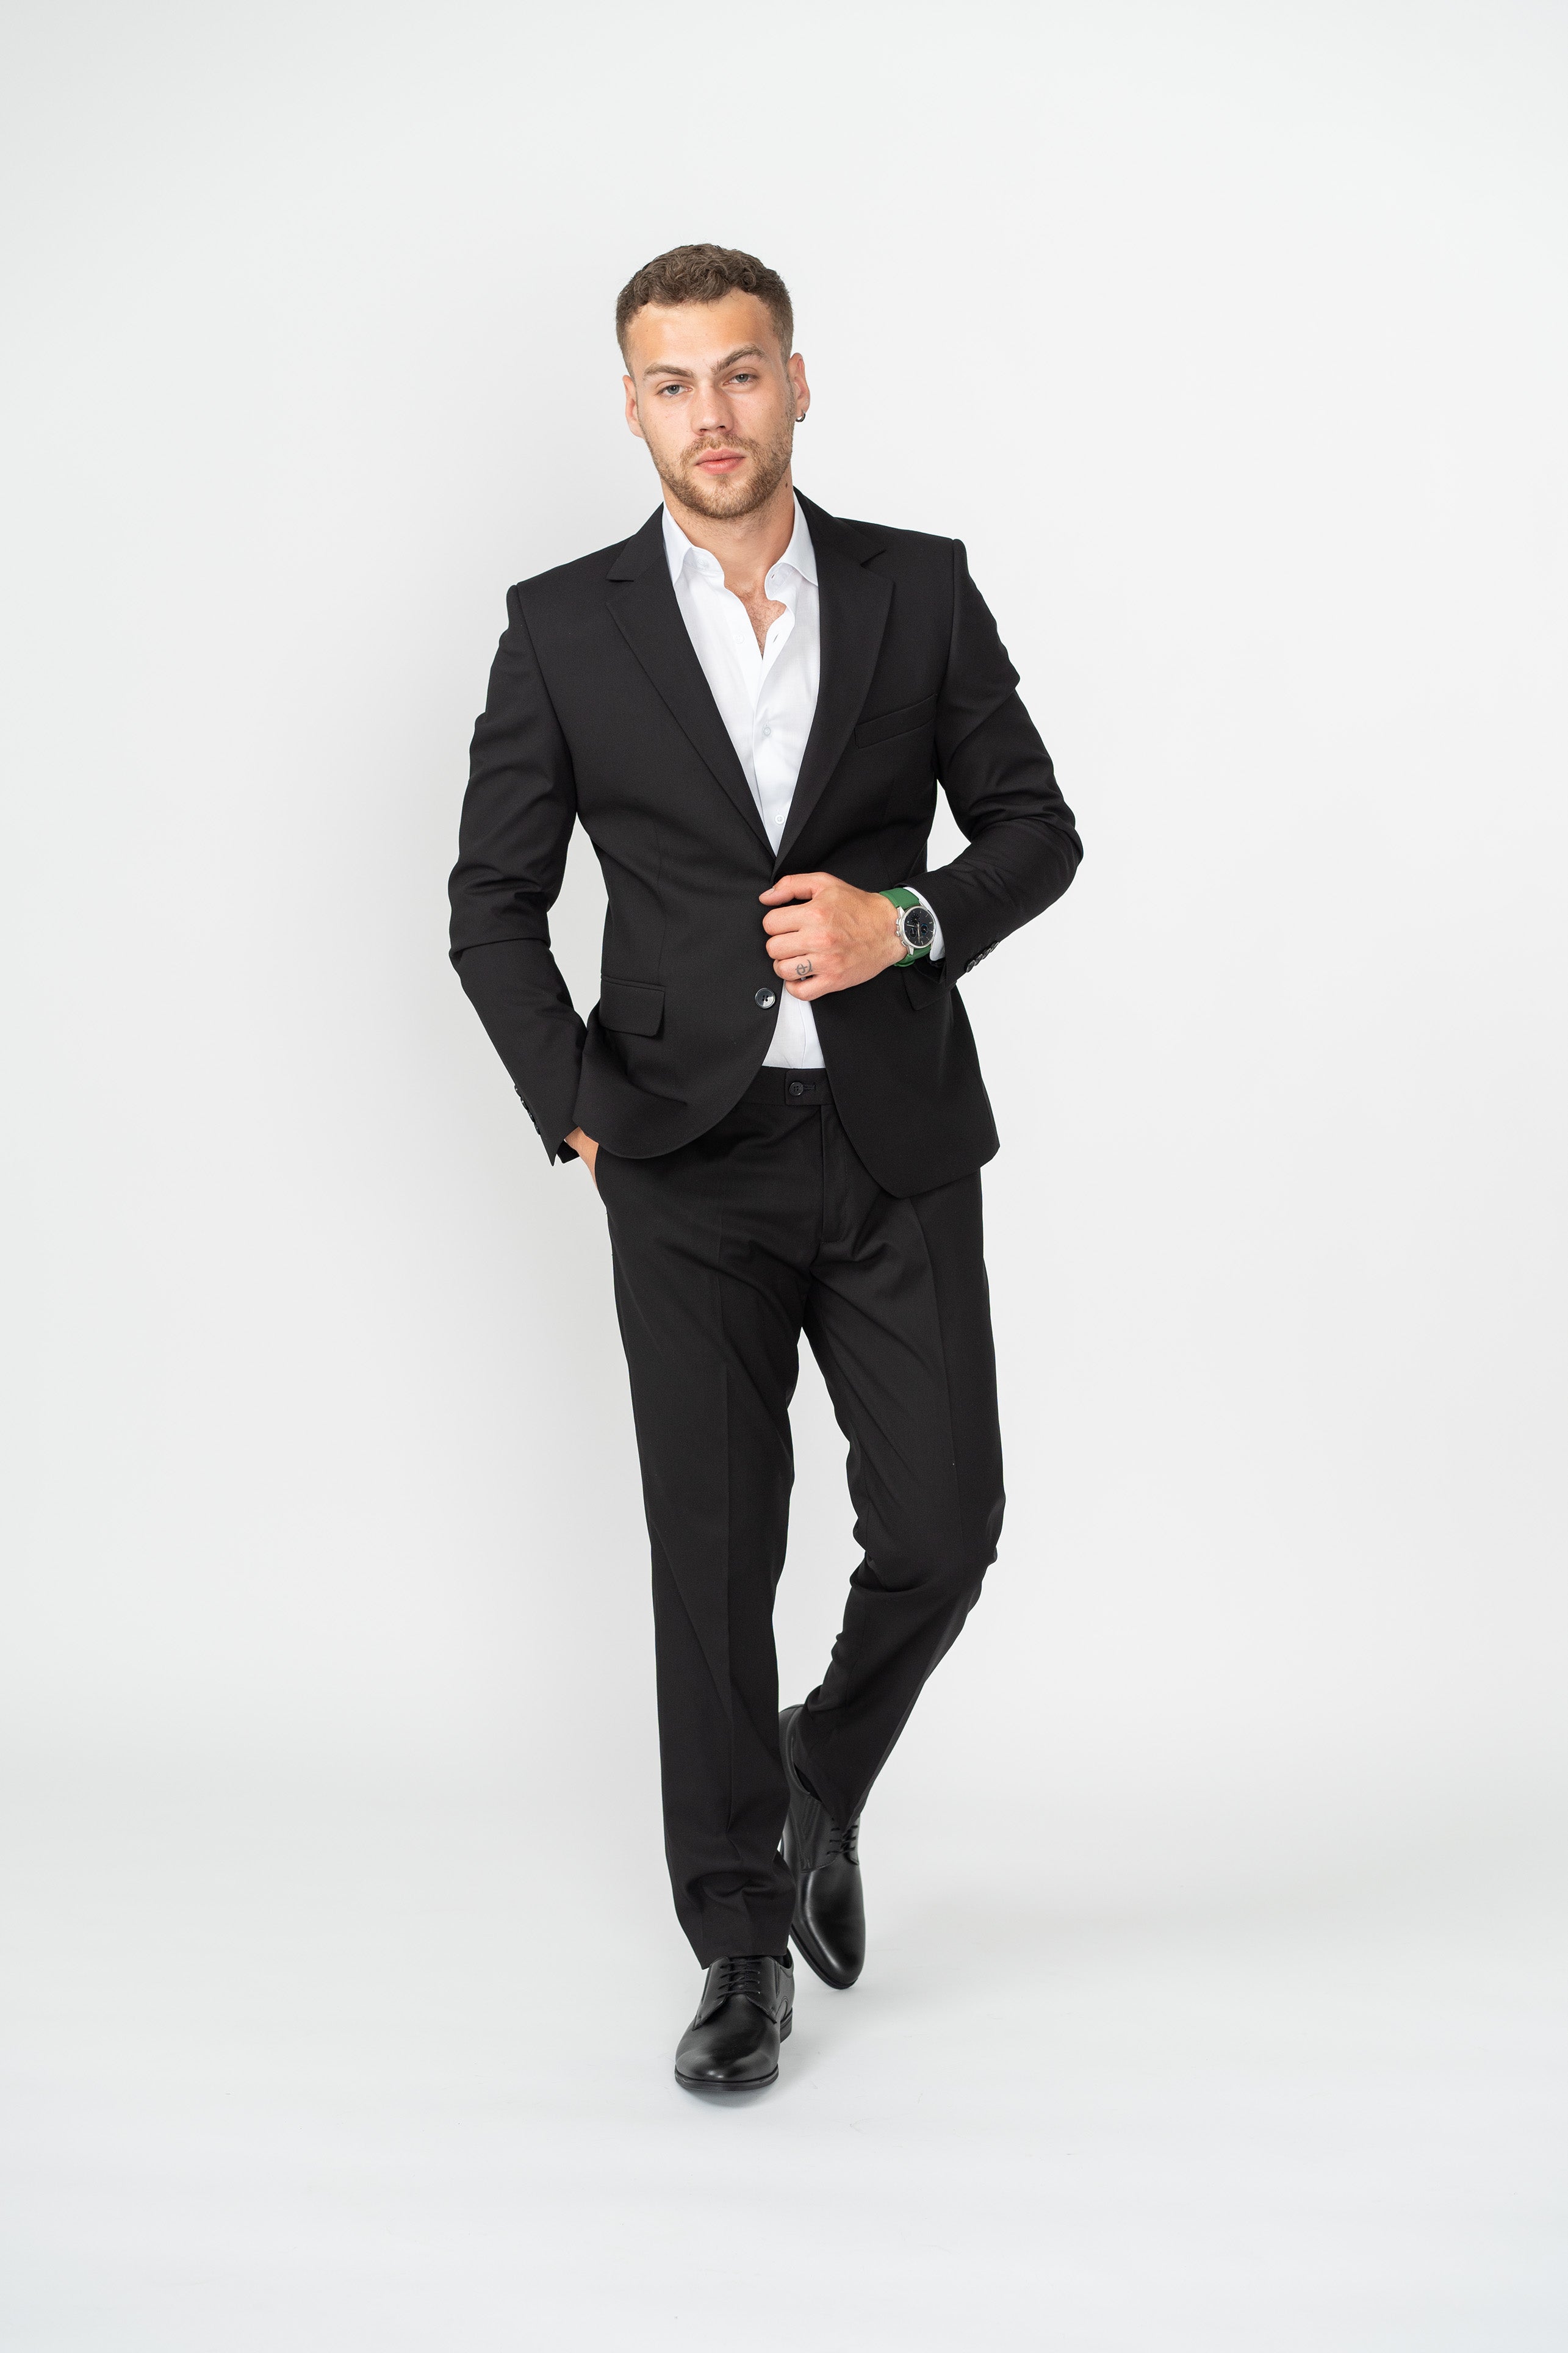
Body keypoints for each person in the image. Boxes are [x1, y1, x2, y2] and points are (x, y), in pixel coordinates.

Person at [449, 243, 1082, 2092]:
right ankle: (735, 1944)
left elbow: (1035, 830)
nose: (709, 415)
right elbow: (492, 902)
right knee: (715, 1563)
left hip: (894, 1141)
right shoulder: (563, 628)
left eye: (739, 373)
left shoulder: (915, 589)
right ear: (632, 407)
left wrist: (907, 920)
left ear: (798, 383)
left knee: (944, 1529)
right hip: (681, 1158)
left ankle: (819, 1773)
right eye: (672, 384)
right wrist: (574, 1102)